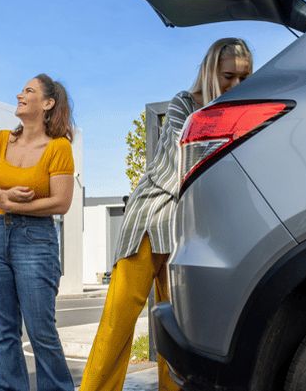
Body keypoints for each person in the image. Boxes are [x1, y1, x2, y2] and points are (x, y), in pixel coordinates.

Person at [79, 38, 253, 391]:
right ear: (209, 72)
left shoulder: (240, 114)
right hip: (150, 218)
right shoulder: (184, 104)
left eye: (244, 77)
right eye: (228, 75)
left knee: (178, 329)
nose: (235, 85)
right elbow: (180, 160)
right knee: (118, 321)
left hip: (186, 230)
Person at [0, 73, 76, 391]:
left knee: (41, 332)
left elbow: (61, 202)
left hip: (36, 240)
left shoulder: (59, 147)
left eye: (28, 91)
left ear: (48, 103)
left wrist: (13, 204)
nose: (20, 95)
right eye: (21, 90)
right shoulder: (2, 138)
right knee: (4, 332)